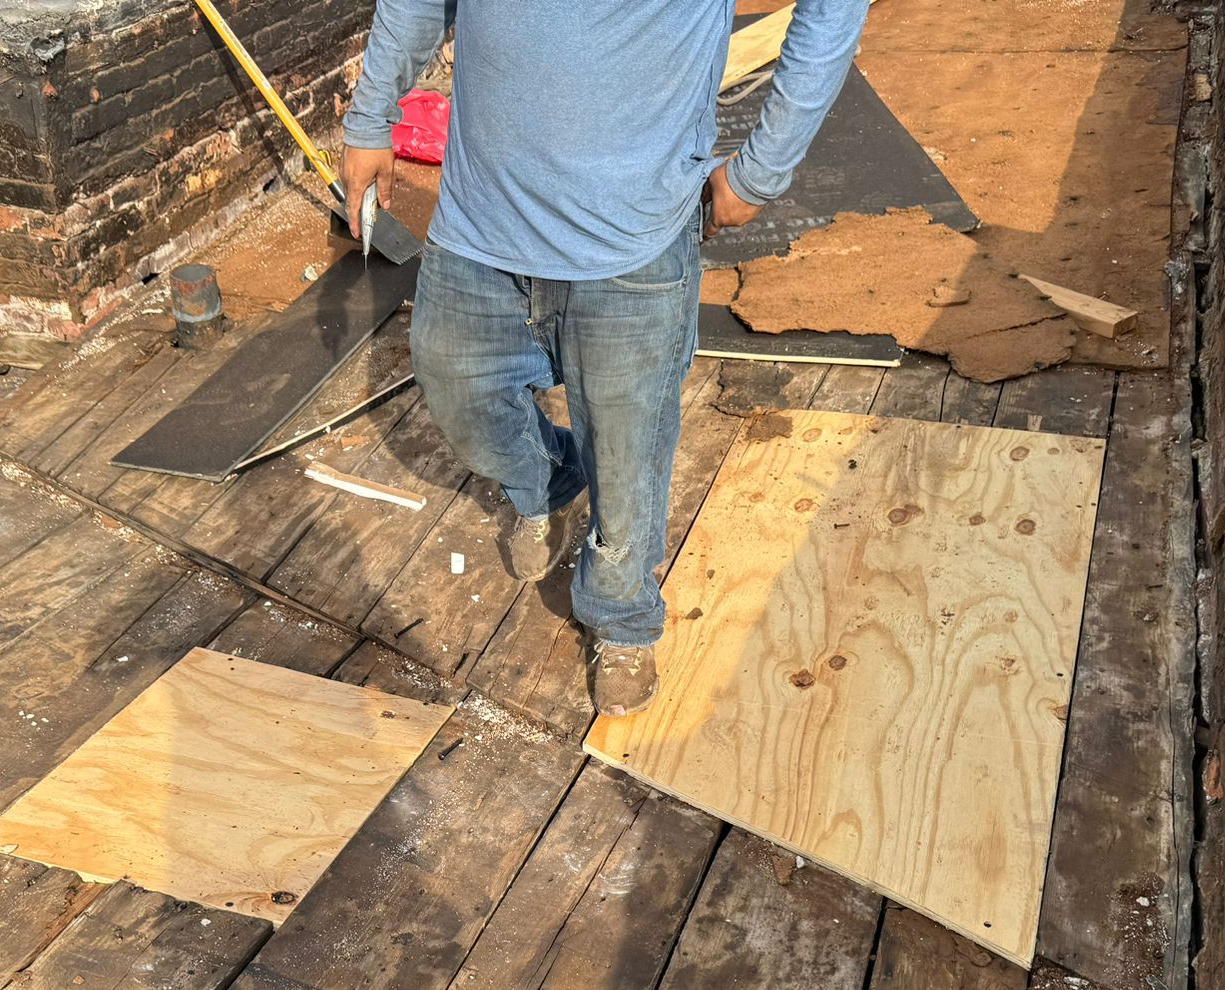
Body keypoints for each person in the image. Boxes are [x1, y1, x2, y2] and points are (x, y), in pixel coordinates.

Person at [341, 0, 869, 715]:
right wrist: (372, 117)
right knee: (456, 388)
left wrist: (762, 169)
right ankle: (552, 481)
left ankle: (621, 618)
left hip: (634, 240)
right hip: (479, 223)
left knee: (627, 454)